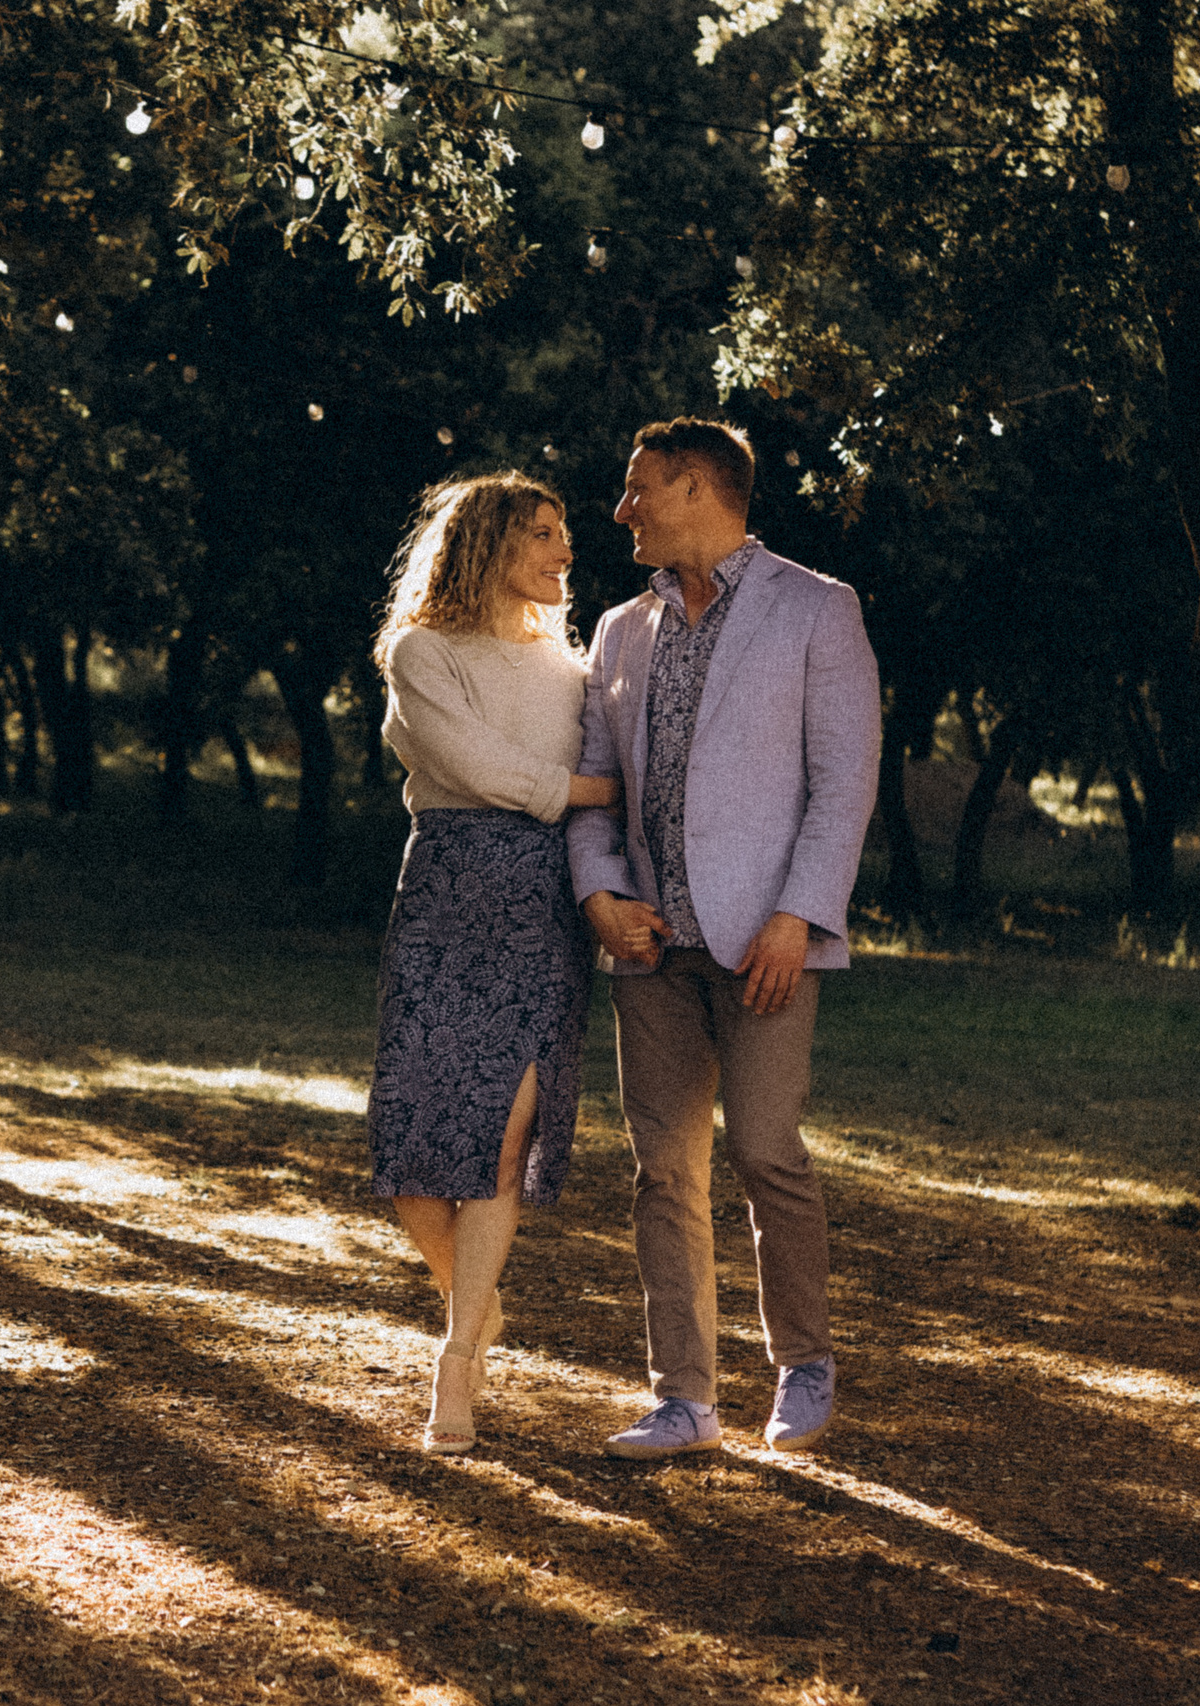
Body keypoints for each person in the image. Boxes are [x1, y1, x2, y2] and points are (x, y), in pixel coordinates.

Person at [567, 418, 879, 1460]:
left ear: (696, 487)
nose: (622, 511)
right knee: (663, 1165)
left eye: (636, 488)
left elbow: (843, 783)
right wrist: (600, 893)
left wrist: (801, 912)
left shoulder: (816, 608)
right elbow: (595, 791)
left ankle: (802, 1361)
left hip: (765, 942)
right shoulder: (617, 630)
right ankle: (684, 1400)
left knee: (762, 1149)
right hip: (649, 947)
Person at [368, 471, 619, 1455]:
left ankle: (457, 1359)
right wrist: (593, 790)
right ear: (485, 546)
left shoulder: (573, 665)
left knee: (502, 1143)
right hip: (446, 892)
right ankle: (469, 1293)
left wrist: (581, 811)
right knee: (412, 1154)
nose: (565, 551)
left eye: (564, 534)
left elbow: (542, 777)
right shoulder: (419, 650)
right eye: (544, 535)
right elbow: (476, 767)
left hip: (541, 907)